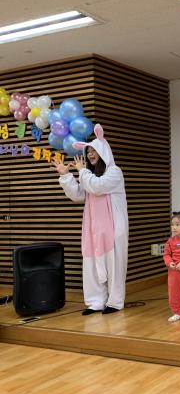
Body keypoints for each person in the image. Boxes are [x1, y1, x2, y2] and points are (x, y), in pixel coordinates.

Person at [53, 124, 128, 315]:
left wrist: (82, 171)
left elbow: (97, 187)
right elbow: (78, 195)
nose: (91, 154)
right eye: (88, 152)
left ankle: (115, 302)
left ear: (103, 152)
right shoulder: (89, 175)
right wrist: (66, 175)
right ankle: (95, 302)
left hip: (112, 229)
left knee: (114, 265)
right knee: (91, 264)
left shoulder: (114, 172)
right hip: (93, 228)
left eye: (94, 151)